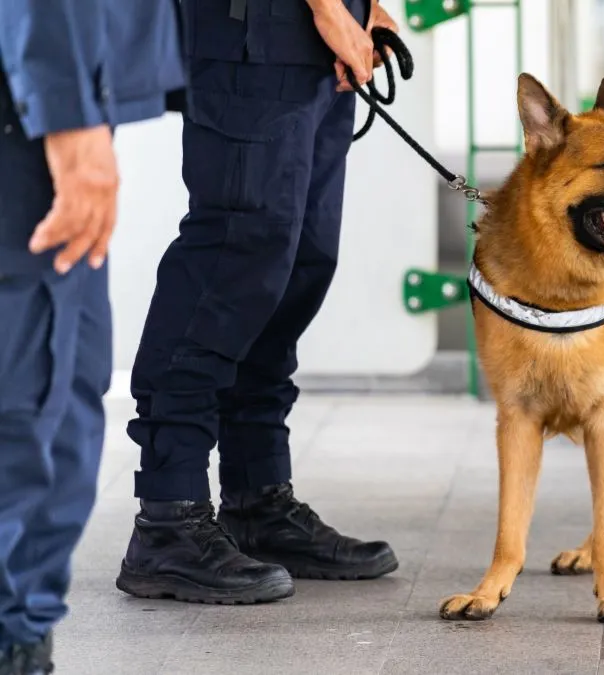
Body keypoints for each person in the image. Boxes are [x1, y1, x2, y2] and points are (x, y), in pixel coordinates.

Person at [114, 0, 403, 605]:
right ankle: (170, 515)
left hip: (316, 45)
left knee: (298, 262)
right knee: (232, 257)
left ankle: (258, 500)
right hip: (253, 30)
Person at [0, 1, 187, 672]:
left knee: (64, 395)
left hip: (49, 89)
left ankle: (20, 632)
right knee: (30, 414)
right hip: (33, 100)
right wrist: (68, 113)